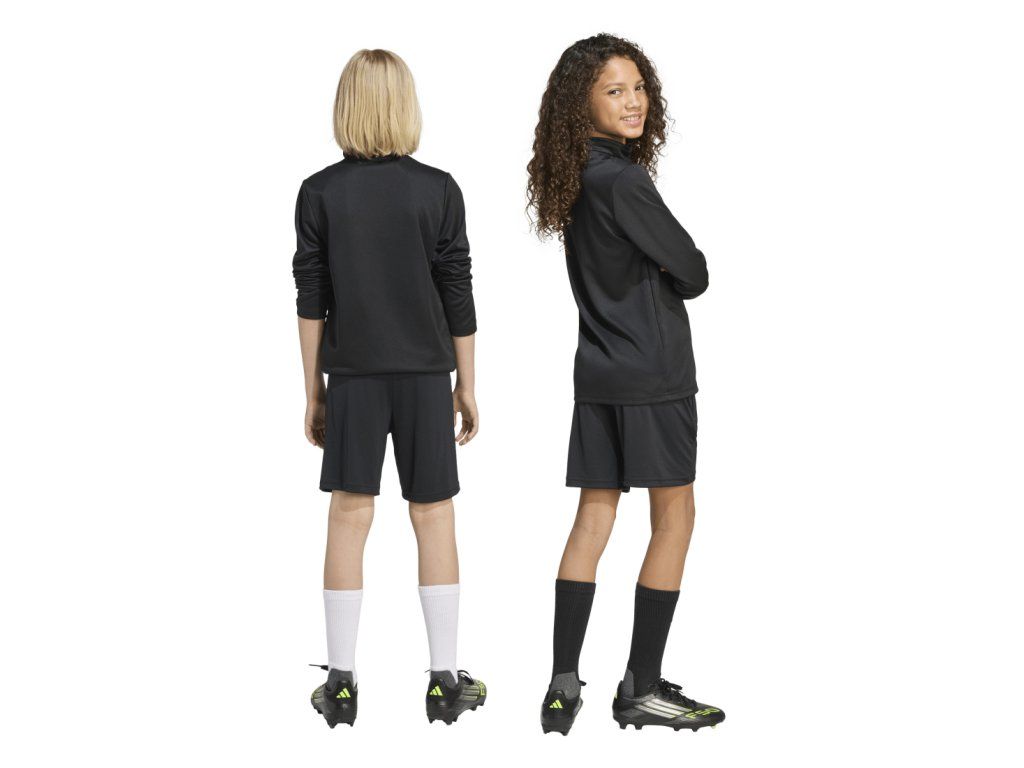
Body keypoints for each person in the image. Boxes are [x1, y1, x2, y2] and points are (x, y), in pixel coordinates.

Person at [526, 33, 725, 734]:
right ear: (581, 103)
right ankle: (640, 686)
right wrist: (671, 270)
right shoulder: (624, 181)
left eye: (638, 87)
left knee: (593, 517)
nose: (634, 101)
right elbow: (694, 271)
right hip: (654, 374)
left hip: (598, 370)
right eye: (615, 91)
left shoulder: (576, 176)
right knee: (676, 517)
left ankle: (562, 684)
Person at [293, 49, 486, 728]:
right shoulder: (439, 190)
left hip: (352, 376)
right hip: (427, 374)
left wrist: (314, 389)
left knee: (349, 516)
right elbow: (457, 288)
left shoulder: (319, 192)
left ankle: (342, 682)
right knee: (434, 516)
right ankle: (444, 680)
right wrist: (466, 381)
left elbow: (311, 297)